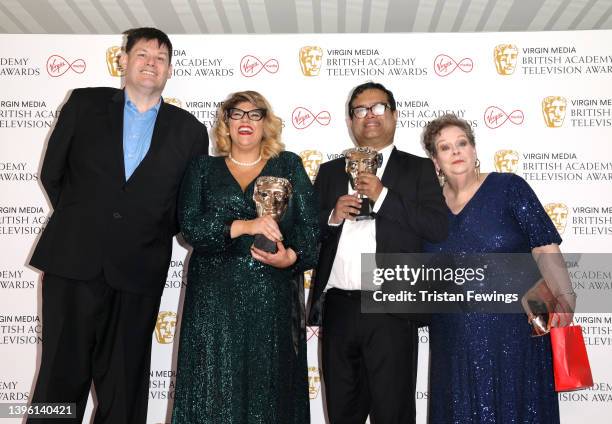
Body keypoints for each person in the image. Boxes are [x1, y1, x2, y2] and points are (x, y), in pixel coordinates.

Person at [27, 27, 208, 424]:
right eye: (142, 54)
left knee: (124, 387)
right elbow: (52, 173)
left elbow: (186, 206)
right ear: (123, 60)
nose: (151, 64)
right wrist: (88, 224)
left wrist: (135, 232)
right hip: (72, 263)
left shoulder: (190, 130)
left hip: (139, 272)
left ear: (170, 70)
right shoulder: (84, 104)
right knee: (58, 376)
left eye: (160, 59)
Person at [172, 90, 319, 424]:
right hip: (213, 299)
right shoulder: (202, 168)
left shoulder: (289, 165)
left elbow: (310, 229)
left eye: (255, 114)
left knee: (269, 388)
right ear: (225, 122)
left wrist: (291, 258)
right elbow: (190, 227)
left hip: (272, 296)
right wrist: (242, 225)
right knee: (212, 388)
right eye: (237, 114)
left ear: (266, 122)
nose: (245, 121)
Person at [308, 82, 448, 424]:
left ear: (395, 114)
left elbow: (437, 227)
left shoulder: (419, 169)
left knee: (394, 412)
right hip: (338, 306)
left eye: (378, 108)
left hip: (392, 304)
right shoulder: (329, 172)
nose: (369, 116)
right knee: (342, 411)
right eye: (360, 110)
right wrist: (332, 216)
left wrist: (384, 195)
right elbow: (306, 235)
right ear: (350, 120)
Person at [421, 114, 575, 424]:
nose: (456, 152)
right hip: (453, 338)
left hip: (515, 332)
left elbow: (544, 247)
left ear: (475, 150)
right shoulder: (427, 207)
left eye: (462, 143)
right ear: (435, 161)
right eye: (445, 147)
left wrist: (566, 297)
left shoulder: (509, 187)